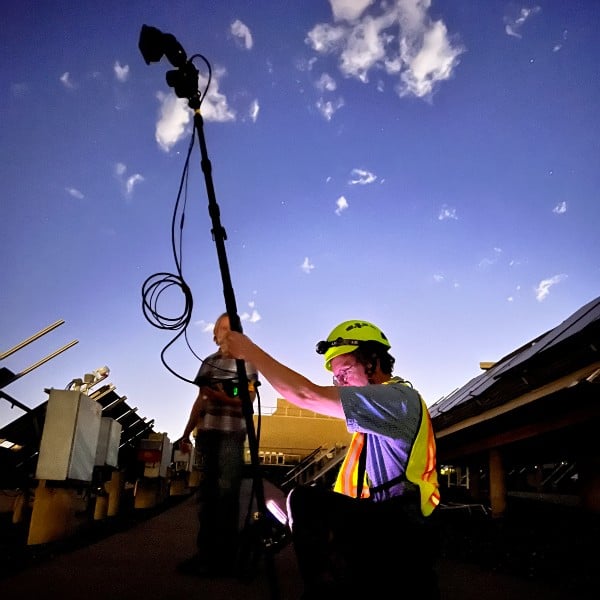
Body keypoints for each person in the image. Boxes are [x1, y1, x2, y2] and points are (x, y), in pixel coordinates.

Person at [219, 319, 441, 598]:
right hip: (386, 529)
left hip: (401, 531)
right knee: (294, 499)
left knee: (305, 501)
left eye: (345, 371)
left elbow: (305, 394)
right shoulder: (374, 421)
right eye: (336, 378)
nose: (340, 383)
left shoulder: (397, 399)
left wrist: (250, 351)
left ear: (373, 362)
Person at [178, 312, 259, 577]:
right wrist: (186, 432)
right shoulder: (209, 362)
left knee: (226, 496)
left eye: (229, 327)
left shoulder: (245, 363)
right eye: (220, 328)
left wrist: (221, 397)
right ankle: (206, 556)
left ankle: (225, 559)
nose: (223, 331)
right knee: (208, 497)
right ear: (215, 334)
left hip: (231, 436)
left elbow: (248, 400)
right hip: (208, 435)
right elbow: (200, 400)